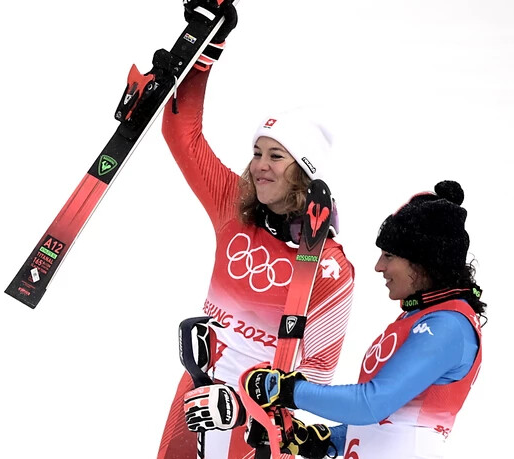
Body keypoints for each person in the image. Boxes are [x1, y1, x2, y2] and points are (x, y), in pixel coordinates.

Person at [156, 2, 355, 458]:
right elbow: (180, 132)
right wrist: (205, 52)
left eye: (276, 156)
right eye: (257, 152)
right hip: (198, 388)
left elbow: (320, 377)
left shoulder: (330, 270)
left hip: (257, 418)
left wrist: (244, 408)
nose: (260, 166)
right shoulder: (234, 208)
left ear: (304, 172)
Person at [191, 180, 484, 459]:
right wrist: (320, 440)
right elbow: (384, 427)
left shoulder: (449, 327)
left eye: (389, 255)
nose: (378, 266)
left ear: (424, 260)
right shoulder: (421, 318)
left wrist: (287, 390)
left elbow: (372, 403)